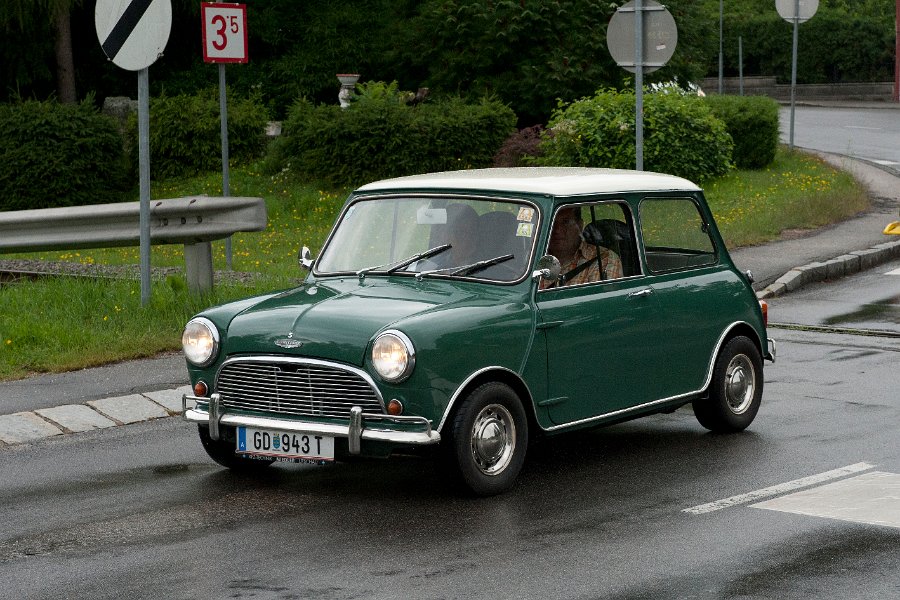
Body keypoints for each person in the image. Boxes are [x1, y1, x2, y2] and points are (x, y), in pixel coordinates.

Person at [543, 207, 622, 288]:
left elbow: (598, 298)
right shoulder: (534, 257)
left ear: (580, 226)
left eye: (565, 222)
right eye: (552, 223)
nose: (557, 230)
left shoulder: (603, 259)